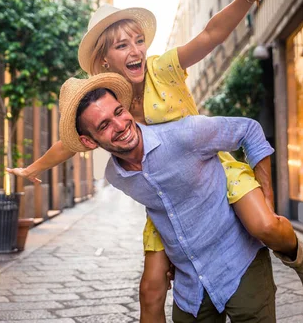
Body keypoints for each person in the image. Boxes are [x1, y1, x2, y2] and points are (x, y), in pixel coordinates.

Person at [8, 0, 303, 321]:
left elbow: (212, 33)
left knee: (265, 225)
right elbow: (70, 141)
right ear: (105, 60)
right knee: (149, 289)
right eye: (122, 45)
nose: (136, 50)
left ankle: (302, 260)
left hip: (211, 169)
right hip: (164, 198)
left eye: (138, 41)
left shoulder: (164, 67)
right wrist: (32, 168)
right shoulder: (110, 100)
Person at [59, 73, 282, 320]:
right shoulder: (115, 176)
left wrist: (267, 201)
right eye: (104, 125)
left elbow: (249, 130)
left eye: (119, 112)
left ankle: (298, 258)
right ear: (88, 141)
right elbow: (161, 205)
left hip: (240, 262)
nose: (120, 125)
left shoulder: (184, 134)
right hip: (190, 288)